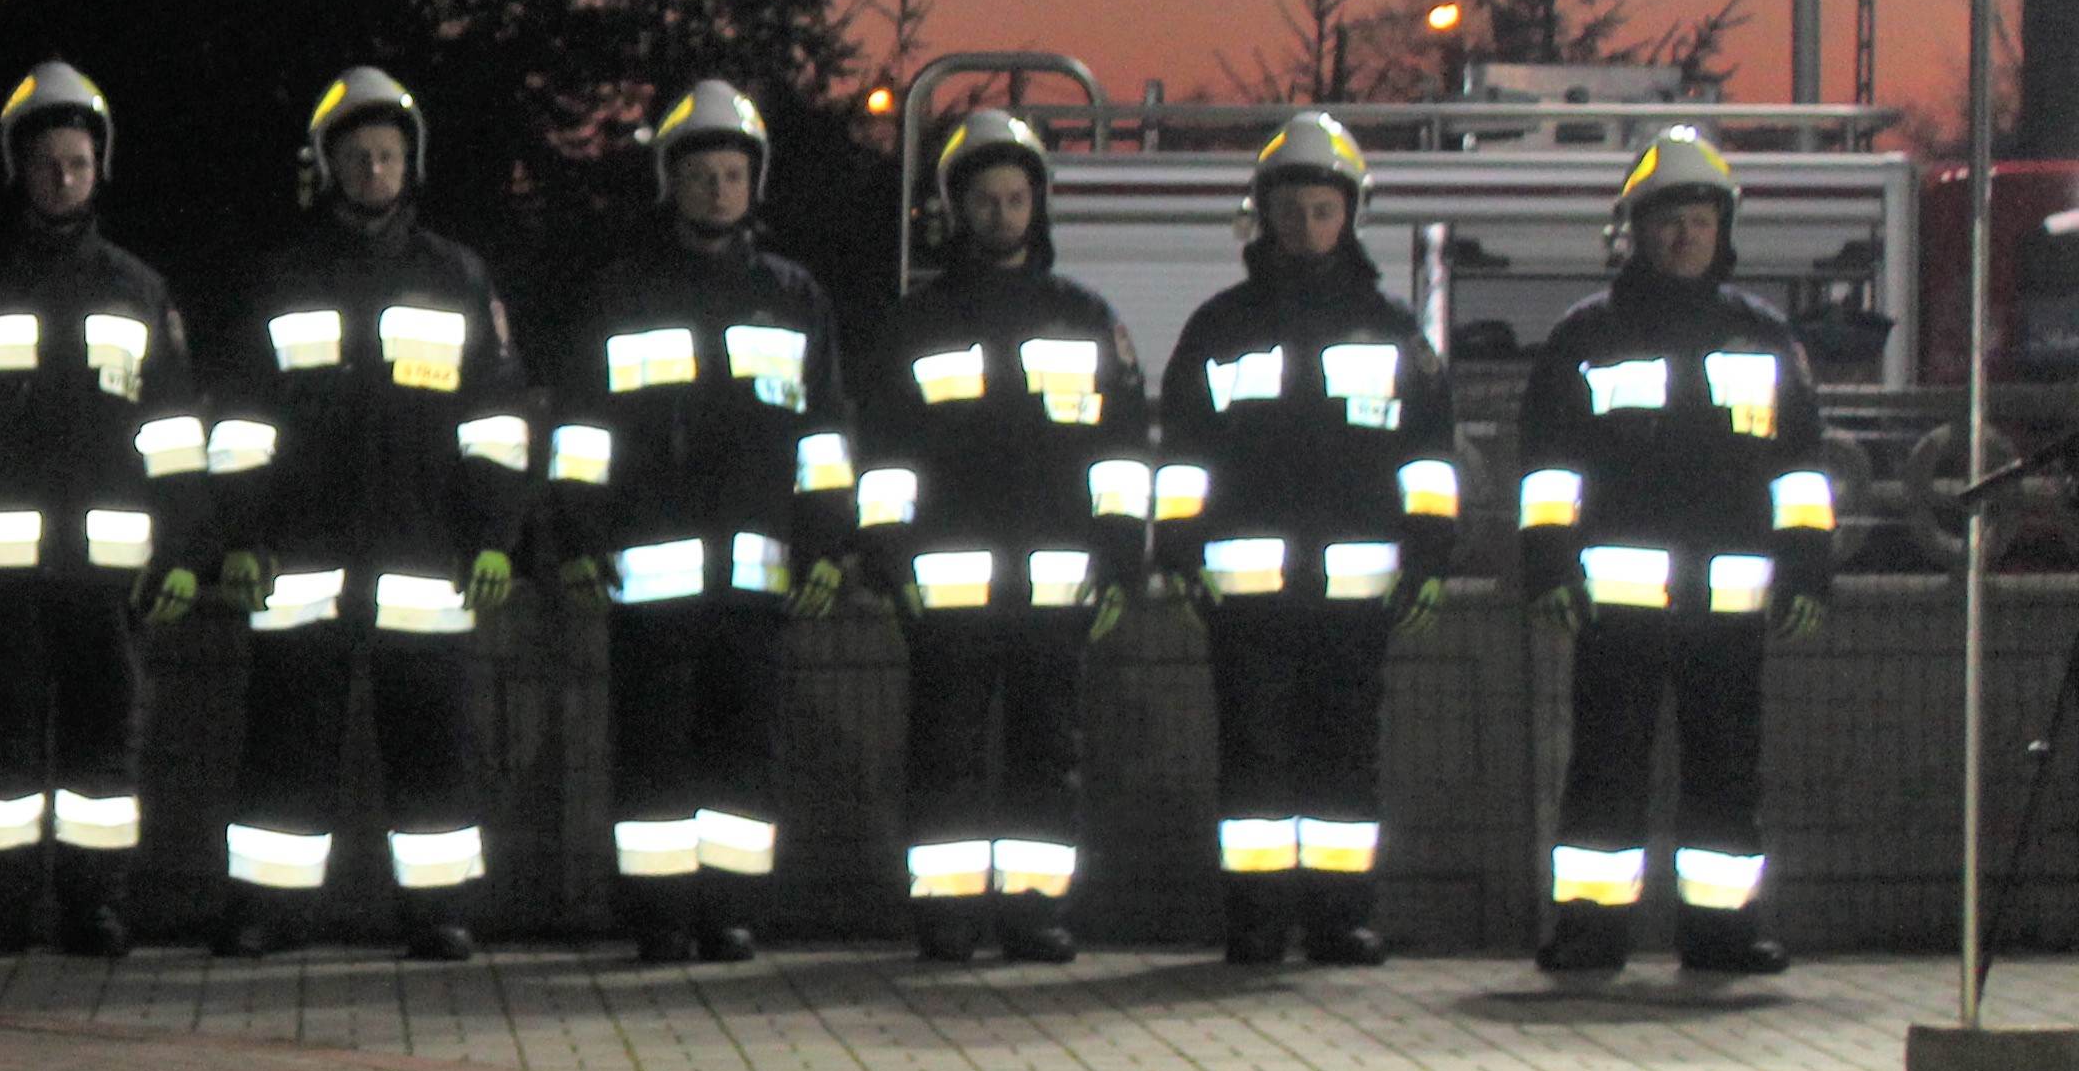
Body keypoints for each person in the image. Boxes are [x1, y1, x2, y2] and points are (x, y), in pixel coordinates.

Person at [209, 68, 533, 962]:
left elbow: (497, 421)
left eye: (388, 155)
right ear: (329, 167)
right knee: (284, 745)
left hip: (425, 557)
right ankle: (267, 912)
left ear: (410, 164)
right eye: (358, 157)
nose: (374, 170)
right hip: (299, 559)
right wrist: (241, 536)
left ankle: (440, 914)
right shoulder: (282, 278)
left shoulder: (457, 277)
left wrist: (495, 538)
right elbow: (240, 424)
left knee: (436, 749)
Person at [0, 63, 206, 960]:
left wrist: (182, 549)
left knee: (106, 753)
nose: (63, 178)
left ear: (100, 169)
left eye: (77, 163)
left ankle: (95, 907)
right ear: (18, 170)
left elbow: (175, 433)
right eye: (47, 164)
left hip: (110, 574)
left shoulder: (140, 290)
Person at [547, 82, 855, 963]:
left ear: (754, 183)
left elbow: (824, 436)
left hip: (757, 579)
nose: (718, 191)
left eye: (732, 175)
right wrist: (576, 538)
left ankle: (730, 912)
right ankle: (658, 915)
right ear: (670, 184)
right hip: (644, 576)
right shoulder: (622, 294)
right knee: (650, 751)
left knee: (744, 753)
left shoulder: (795, 297)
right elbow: (581, 433)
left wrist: (828, 545)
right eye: (701, 176)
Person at [1519, 124, 1830, 977]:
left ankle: (1723, 934)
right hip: (1616, 608)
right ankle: (1589, 933)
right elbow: (1549, 467)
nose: (1685, 236)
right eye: (1668, 221)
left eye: (1700, 220)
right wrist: (1548, 563)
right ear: (1637, 230)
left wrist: (1808, 567)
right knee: (1604, 770)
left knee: (1728, 774)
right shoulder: (1587, 337)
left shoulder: (1767, 338)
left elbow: (1800, 470)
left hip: (1731, 607)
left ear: (1724, 229)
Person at [1151, 111, 1456, 967]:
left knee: (1345, 760)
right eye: (1291, 211)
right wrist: (1178, 550)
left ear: (1352, 214)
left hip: (1356, 597)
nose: (1307, 226)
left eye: (1323, 210)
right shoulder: (1219, 328)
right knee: (1253, 759)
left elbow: (1428, 460)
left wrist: (1430, 556)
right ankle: (1255, 920)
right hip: (1245, 596)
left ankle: (1338, 918)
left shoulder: (1395, 332)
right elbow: (1184, 455)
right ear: (1263, 215)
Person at [853, 113, 1147, 964]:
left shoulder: (1087, 319)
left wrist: (1121, 558)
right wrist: (887, 560)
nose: (1002, 215)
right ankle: (945, 915)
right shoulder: (915, 324)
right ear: (956, 209)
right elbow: (883, 456)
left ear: (1038, 205)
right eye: (985, 200)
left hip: (1060, 588)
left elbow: (1122, 452)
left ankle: (1034, 911)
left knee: (1048, 755)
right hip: (945, 590)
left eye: (1016, 199)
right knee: (943, 754)